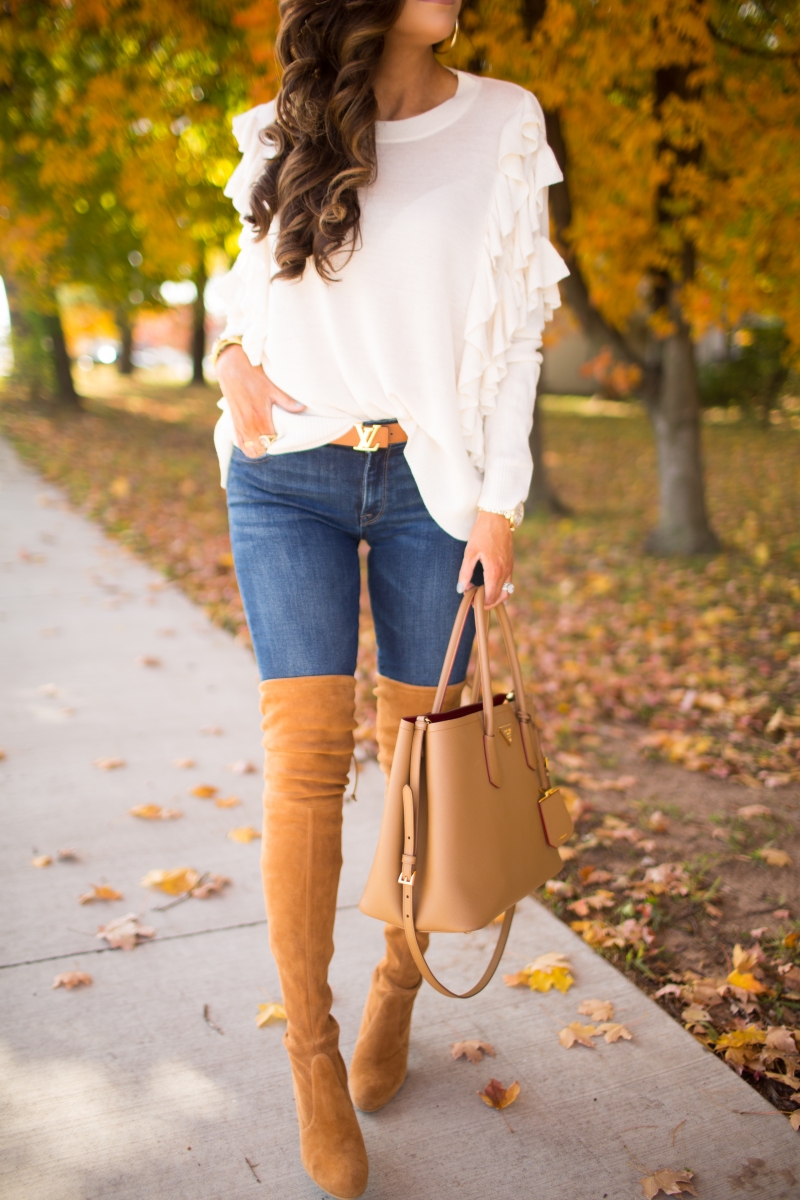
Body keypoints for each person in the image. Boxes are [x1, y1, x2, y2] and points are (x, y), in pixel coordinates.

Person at [212, 1, 567, 1195]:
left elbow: (518, 330)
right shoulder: (285, 126)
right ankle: (310, 1057)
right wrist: (223, 353)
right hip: (285, 478)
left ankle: (394, 989)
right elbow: (244, 283)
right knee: (304, 762)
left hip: (433, 486)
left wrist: (500, 502)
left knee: (420, 760)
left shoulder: (503, 122)